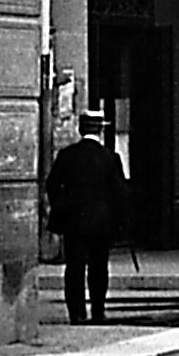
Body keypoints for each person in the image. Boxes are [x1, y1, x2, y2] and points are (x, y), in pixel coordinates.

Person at [46, 109, 130, 325]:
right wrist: (120, 219)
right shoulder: (110, 157)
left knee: (74, 267)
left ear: (80, 129)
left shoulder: (67, 155)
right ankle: (98, 311)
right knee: (99, 267)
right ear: (100, 130)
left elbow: (52, 185)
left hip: (74, 222)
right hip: (102, 223)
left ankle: (76, 312)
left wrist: (61, 208)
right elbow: (120, 193)